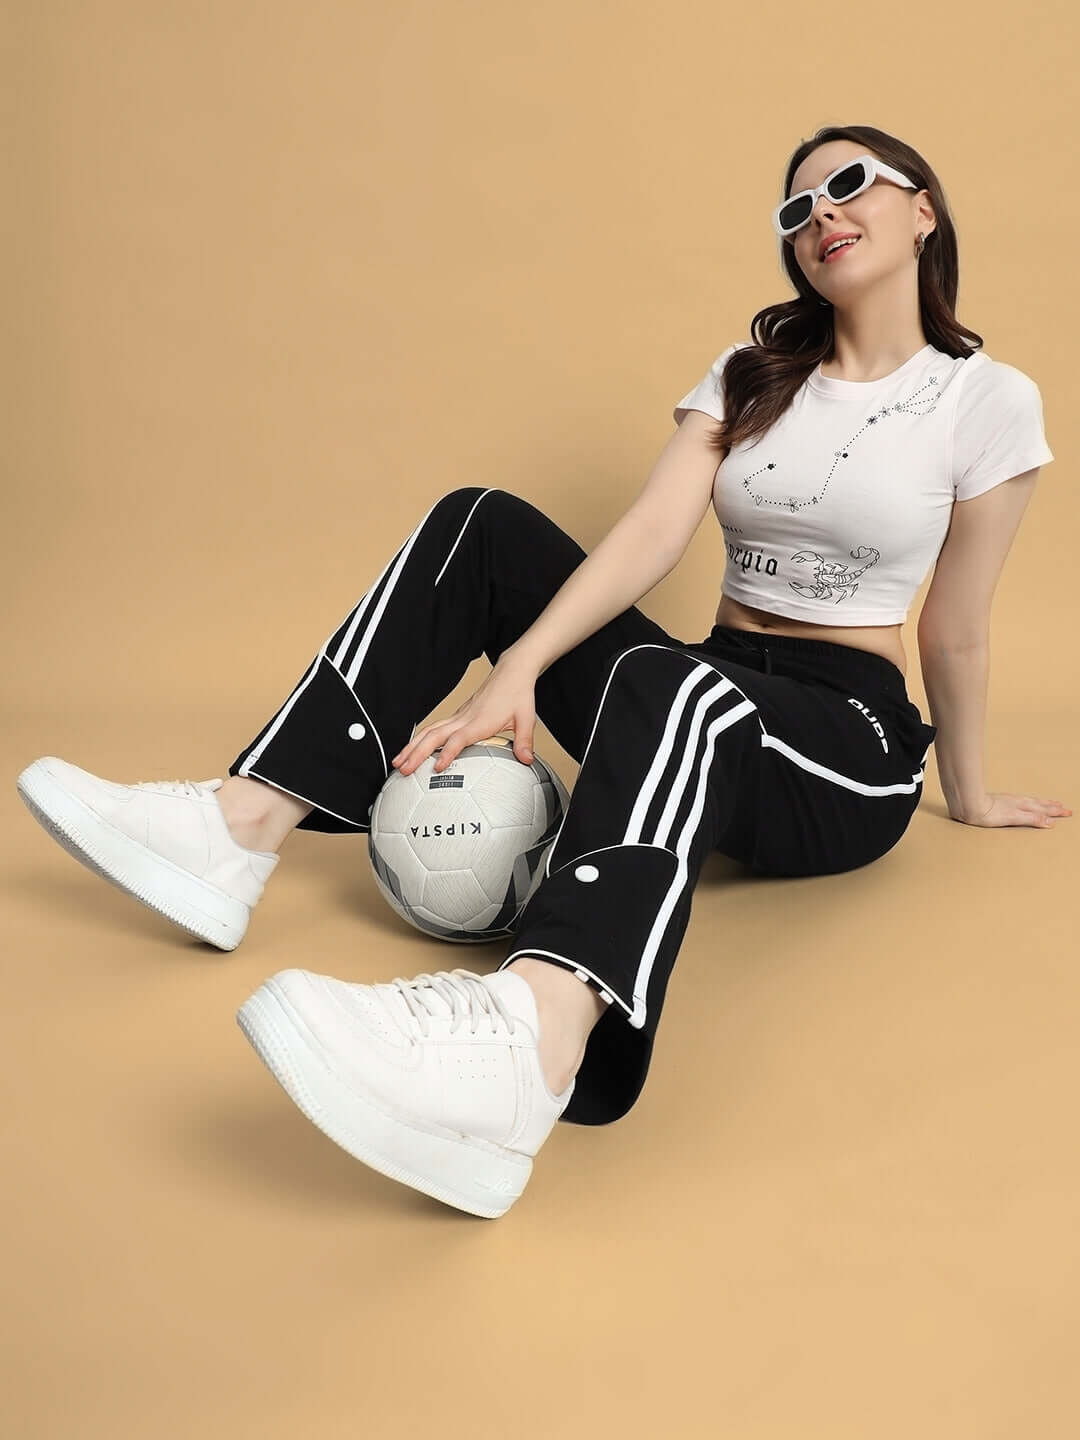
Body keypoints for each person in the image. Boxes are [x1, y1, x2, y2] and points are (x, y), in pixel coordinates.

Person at [16, 125, 1070, 1220]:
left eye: (847, 188)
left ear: (924, 210)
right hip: (708, 688)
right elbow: (653, 534)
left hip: (846, 739)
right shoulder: (755, 375)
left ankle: (534, 1044)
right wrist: (514, 670)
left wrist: (973, 792)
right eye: (795, 209)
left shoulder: (986, 400)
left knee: (684, 690)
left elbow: (956, 625)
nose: (820, 219)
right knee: (484, 525)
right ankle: (239, 824)